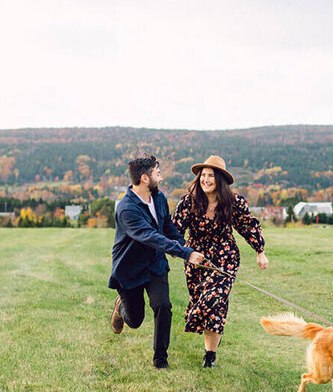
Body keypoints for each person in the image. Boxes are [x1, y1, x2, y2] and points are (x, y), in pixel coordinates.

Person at [108, 155, 205, 369]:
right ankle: (119, 307)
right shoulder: (126, 209)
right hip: (130, 269)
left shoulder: (159, 198)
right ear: (144, 178)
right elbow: (150, 236)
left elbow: (167, 227)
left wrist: (180, 245)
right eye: (157, 173)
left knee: (163, 306)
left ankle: (160, 359)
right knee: (135, 320)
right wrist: (185, 253)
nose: (160, 177)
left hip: (155, 264)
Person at [172, 155, 268, 368]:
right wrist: (179, 251)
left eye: (211, 176)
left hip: (225, 258)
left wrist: (260, 251)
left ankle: (210, 356)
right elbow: (174, 230)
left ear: (220, 180)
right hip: (196, 260)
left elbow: (248, 226)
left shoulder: (233, 202)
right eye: (203, 176)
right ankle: (210, 350)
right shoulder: (188, 202)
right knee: (204, 304)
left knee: (215, 301)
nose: (206, 180)